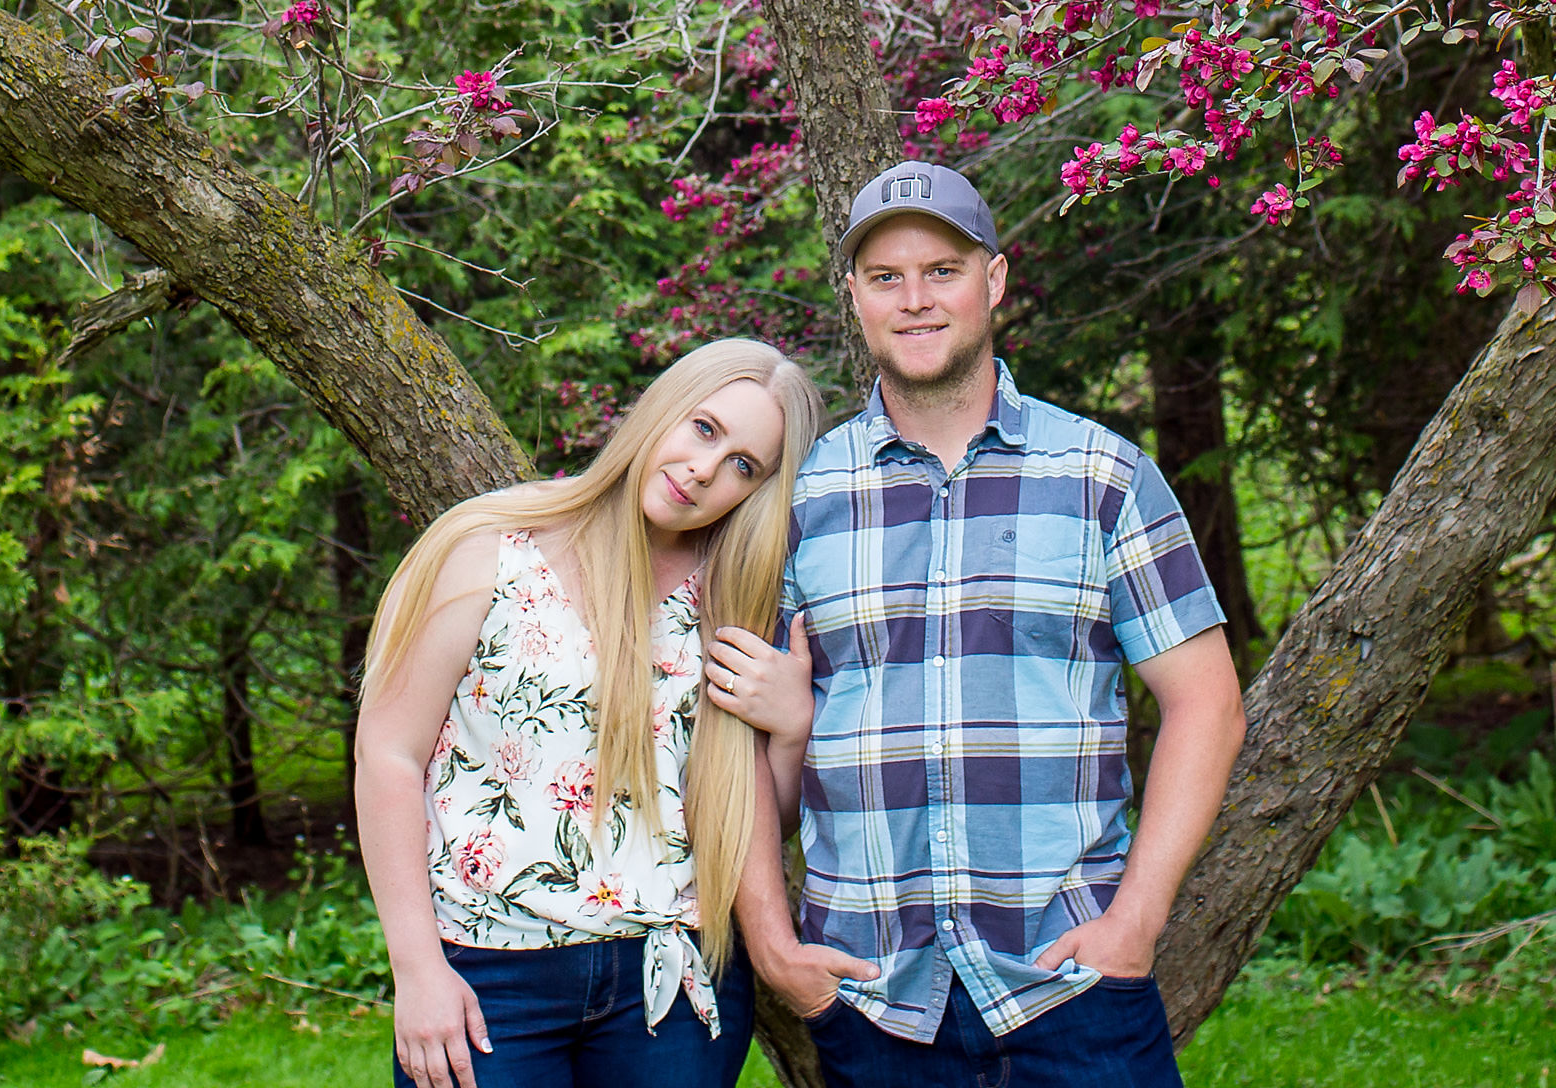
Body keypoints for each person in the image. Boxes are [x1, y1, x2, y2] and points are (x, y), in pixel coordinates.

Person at [708, 162, 1247, 1088]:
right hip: (874, 994)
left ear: (993, 281)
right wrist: (770, 940)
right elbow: (736, 738)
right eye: (885, 278)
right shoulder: (800, 496)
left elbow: (1207, 705)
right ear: (856, 298)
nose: (915, 301)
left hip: (1068, 980)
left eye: (942, 271)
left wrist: (1139, 922)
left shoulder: (1104, 477)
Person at [354, 336, 828, 1088]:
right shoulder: (491, 548)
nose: (705, 470)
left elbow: (749, 821)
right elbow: (388, 755)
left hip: (674, 987)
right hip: (489, 976)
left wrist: (791, 730)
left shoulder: (733, 605)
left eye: (744, 465)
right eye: (703, 429)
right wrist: (416, 969)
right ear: (662, 411)